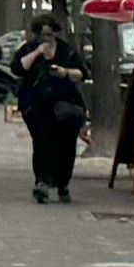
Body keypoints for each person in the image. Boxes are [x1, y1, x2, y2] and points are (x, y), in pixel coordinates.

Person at [20, 31, 89, 202]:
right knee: (42, 143)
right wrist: (36, 53)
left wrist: (65, 72)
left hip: (65, 107)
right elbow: (19, 67)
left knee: (66, 146)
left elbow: (82, 73)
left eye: (49, 34)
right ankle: (42, 182)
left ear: (56, 33)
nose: (46, 39)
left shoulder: (67, 52)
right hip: (37, 107)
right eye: (42, 35)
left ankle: (62, 184)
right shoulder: (29, 49)